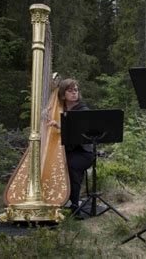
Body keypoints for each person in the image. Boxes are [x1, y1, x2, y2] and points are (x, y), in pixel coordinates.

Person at [47, 78, 95, 213]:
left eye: (76, 90)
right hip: (68, 150)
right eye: (70, 90)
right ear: (62, 94)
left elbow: (78, 132)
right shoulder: (59, 108)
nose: (74, 93)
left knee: (71, 165)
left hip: (83, 152)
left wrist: (59, 126)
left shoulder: (83, 109)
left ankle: (74, 205)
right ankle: (53, 199)